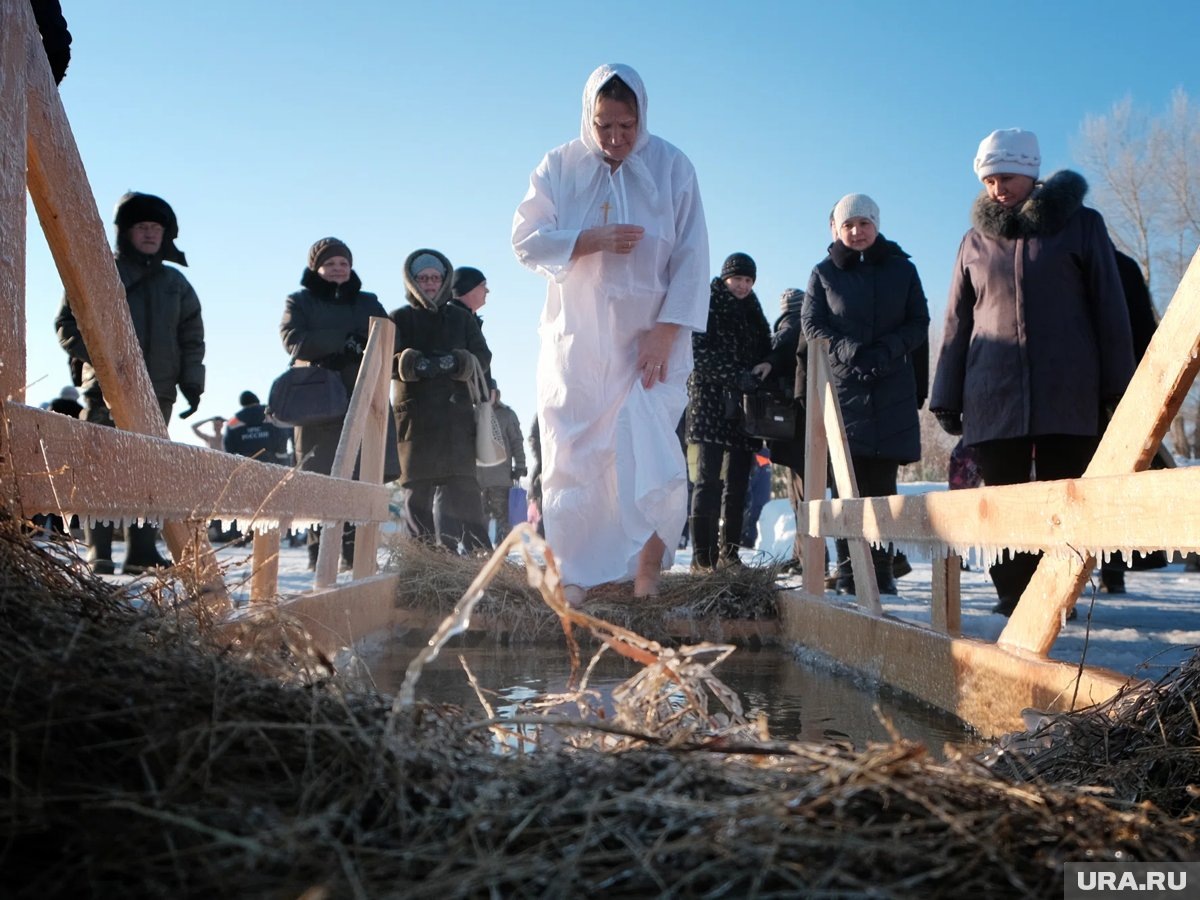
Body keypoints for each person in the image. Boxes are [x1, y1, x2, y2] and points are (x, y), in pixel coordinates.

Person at [512, 63, 709, 604]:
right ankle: (577, 577)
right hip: (577, 341)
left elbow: (693, 259)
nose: (616, 138)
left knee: (645, 452)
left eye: (626, 126)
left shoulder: (672, 168)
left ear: (642, 117)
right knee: (574, 455)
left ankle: (643, 574)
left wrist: (666, 331)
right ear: (588, 118)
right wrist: (588, 239)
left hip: (650, 341)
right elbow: (525, 239)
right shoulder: (559, 165)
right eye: (605, 126)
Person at [930, 129, 1135, 616]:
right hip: (992, 388)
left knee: (1066, 497)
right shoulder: (974, 240)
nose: (997, 188)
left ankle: (1058, 593)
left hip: (1067, 385)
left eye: (1006, 177)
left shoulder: (1081, 225)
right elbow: (958, 320)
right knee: (1004, 498)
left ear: (1031, 172)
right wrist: (946, 393)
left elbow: (1110, 308)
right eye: (988, 179)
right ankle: (1013, 595)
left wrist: (1118, 389)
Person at [55, 191, 206, 575]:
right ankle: (99, 551)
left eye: (157, 228)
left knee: (147, 470)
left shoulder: (176, 283)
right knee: (101, 468)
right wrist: (104, 361)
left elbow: (191, 338)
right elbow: (66, 325)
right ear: (126, 232)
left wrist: (193, 384)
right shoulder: (100, 272)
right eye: (143, 227)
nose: (151, 234)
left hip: (158, 392)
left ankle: (141, 550)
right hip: (104, 388)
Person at [802, 193, 930, 596]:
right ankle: (847, 570)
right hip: (843, 389)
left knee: (883, 489)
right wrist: (847, 350)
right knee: (845, 486)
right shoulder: (824, 273)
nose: (857, 232)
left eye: (864, 224)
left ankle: (881, 571)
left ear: (876, 226)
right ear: (837, 230)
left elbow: (918, 321)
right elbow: (811, 324)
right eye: (849, 225)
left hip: (891, 386)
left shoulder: (902, 270)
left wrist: (888, 350)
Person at [280, 237, 400, 570]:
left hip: (362, 396)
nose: (337, 269)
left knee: (362, 476)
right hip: (317, 401)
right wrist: (339, 344)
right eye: (330, 264)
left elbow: (392, 336)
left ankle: (356, 553)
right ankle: (320, 553)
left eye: (343, 264)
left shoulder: (367, 302)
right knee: (320, 479)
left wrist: (361, 345)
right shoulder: (300, 301)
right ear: (316, 268)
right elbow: (293, 339)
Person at [392, 249, 493, 553]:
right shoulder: (399, 318)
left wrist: (459, 362)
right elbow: (383, 360)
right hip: (416, 419)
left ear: (445, 279)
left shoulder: (461, 319)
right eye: (423, 278)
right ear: (412, 281)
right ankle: (420, 562)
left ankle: (480, 557)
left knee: (466, 490)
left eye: (436, 277)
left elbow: (483, 356)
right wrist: (410, 363)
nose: (430, 283)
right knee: (416, 495)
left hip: (455, 418)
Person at [685, 252, 771, 569]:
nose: (744, 286)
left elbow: (766, 344)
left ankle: (730, 555)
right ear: (725, 278)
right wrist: (736, 375)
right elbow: (697, 352)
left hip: (745, 408)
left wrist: (766, 364)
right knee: (708, 482)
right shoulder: (706, 301)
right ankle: (701, 559)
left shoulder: (753, 309)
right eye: (738, 279)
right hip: (710, 401)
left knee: (738, 484)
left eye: (749, 280)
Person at [477, 388, 527, 545]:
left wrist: (520, 465)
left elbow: (516, 441)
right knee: (477, 521)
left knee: (504, 521)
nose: (486, 395)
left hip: (501, 478)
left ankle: (501, 555)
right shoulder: (474, 413)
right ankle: (481, 555)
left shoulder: (507, 415)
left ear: (496, 393)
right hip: (478, 480)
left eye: (489, 391)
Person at [223, 391, 291, 466]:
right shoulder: (272, 415)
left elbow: (228, 449)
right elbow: (283, 435)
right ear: (257, 400)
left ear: (242, 403)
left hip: (244, 468)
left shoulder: (233, 422)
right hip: (272, 466)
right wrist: (283, 461)